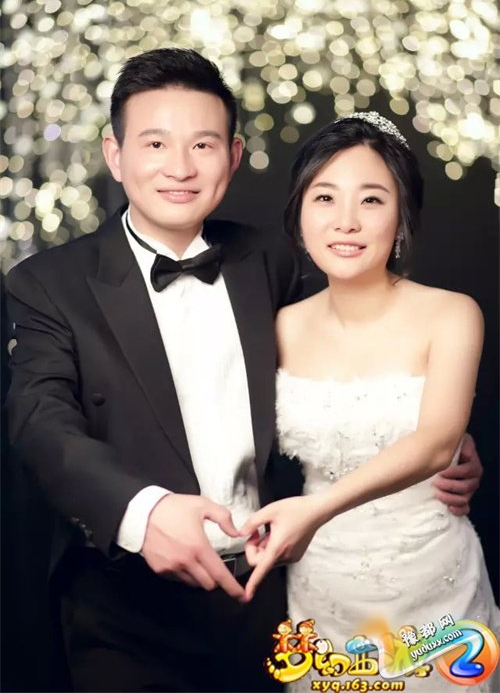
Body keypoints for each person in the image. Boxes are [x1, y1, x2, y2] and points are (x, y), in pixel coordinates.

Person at [5, 48, 483, 693]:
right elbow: (39, 422)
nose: (180, 167)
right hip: (125, 606)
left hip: (271, 591)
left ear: (232, 157)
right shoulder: (49, 283)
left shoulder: (270, 260)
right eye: (155, 143)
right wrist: (144, 512)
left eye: (202, 145)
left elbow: (349, 361)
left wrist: (441, 439)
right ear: (115, 155)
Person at [241, 113, 500, 691]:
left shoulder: (452, 313)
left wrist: (314, 511)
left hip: (433, 582)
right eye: (325, 198)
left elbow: (436, 442)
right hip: (321, 587)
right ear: (300, 214)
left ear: (401, 217)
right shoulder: (278, 326)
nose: (346, 221)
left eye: (372, 200)